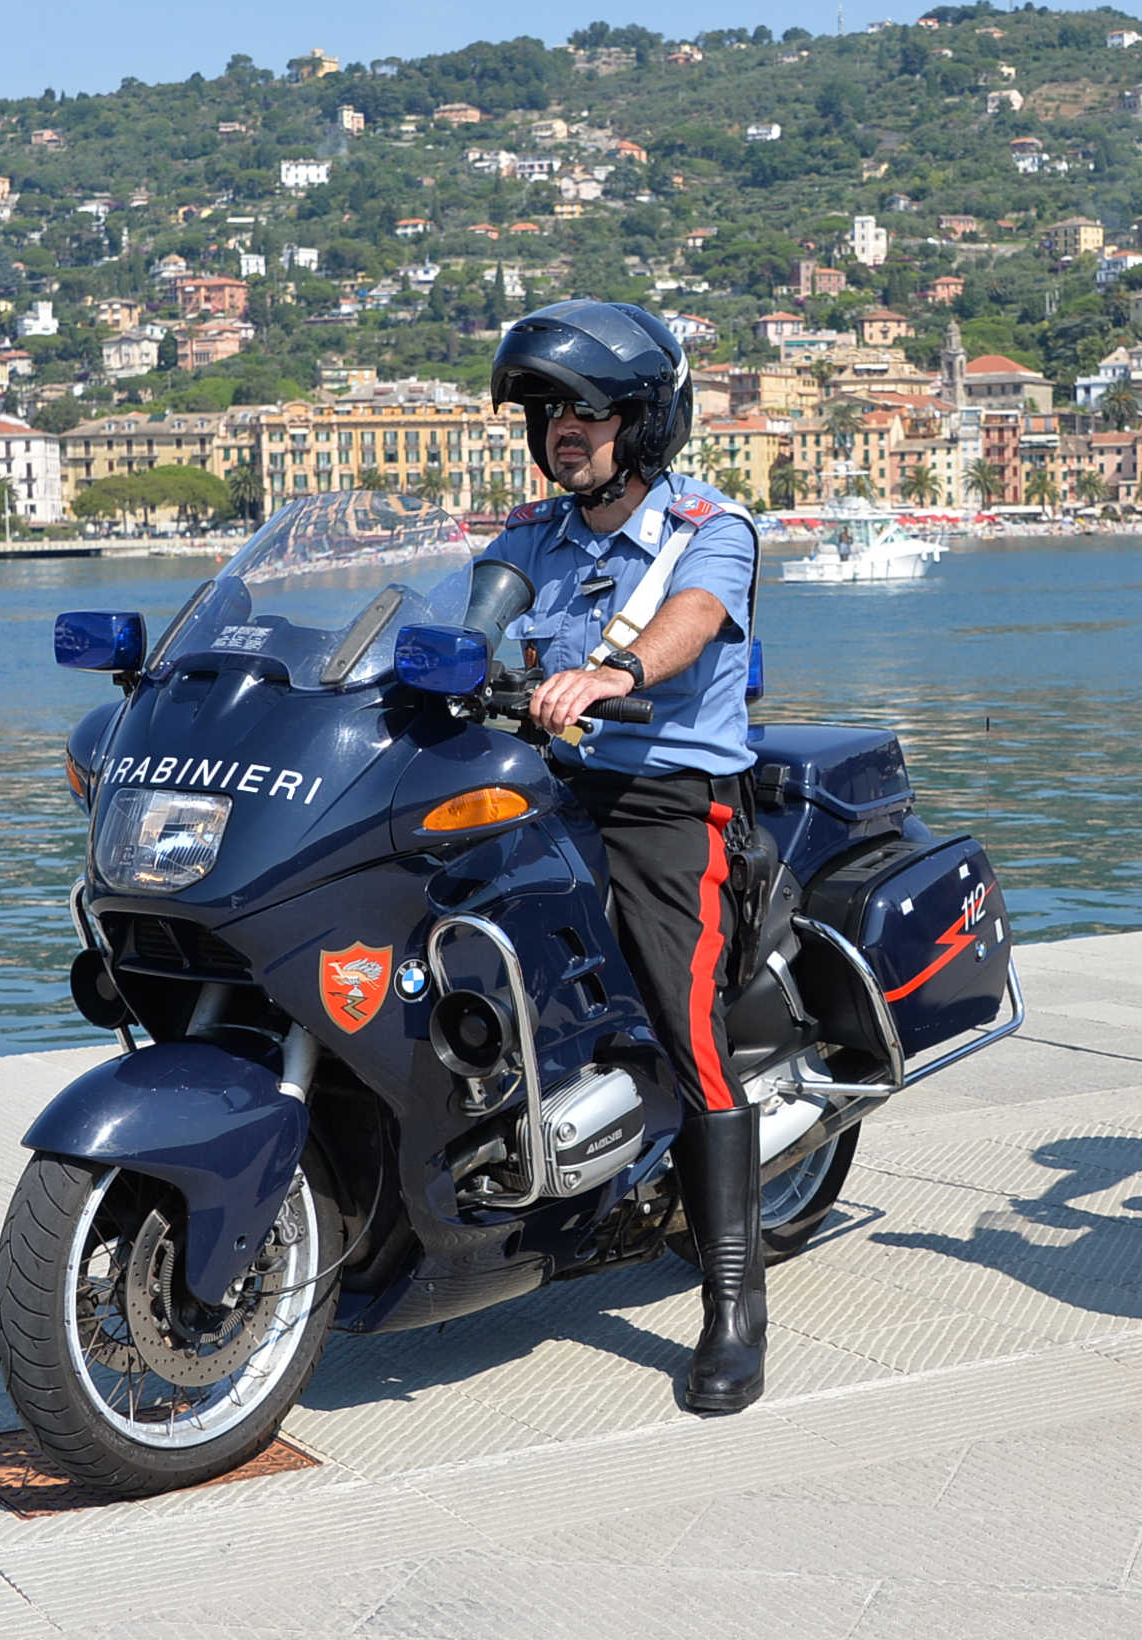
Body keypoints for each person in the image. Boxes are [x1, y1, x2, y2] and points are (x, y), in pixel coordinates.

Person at [482, 300, 774, 1407]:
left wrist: (615, 673)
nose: (565, 428)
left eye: (591, 410)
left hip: (665, 800)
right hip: (545, 788)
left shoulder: (711, 528)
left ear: (645, 421)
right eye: (549, 409)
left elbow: (693, 618)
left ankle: (732, 1305)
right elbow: (460, 620)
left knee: (686, 1026)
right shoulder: (531, 537)